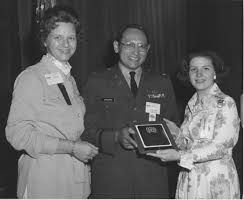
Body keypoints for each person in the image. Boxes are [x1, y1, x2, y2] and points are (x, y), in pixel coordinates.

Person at [5, 5, 98, 199]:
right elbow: (18, 135)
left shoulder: (69, 79)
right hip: (45, 181)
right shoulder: (31, 78)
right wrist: (71, 148)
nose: (66, 44)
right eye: (58, 37)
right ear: (44, 40)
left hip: (74, 180)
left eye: (70, 38)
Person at [81, 24, 179, 198]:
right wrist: (116, 137)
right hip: (111, 179)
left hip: (153, 179)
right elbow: (85, 131)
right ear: (116, 46)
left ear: (148, 49)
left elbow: (174, 128)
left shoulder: (162, 82)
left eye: (142, 46)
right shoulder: (97, 81)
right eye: (129, 44)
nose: (136, 51)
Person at [147, 51, 240, 199]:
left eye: (206, 68)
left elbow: (221, 147)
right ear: (188, 74)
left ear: (215, 73)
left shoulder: (226, 103)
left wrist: (179, 155)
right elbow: (189, 145)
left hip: (215, 181)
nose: (199, 74)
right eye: (193, 69)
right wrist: (177, 134)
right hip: (189, 177)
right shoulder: (191, 104)